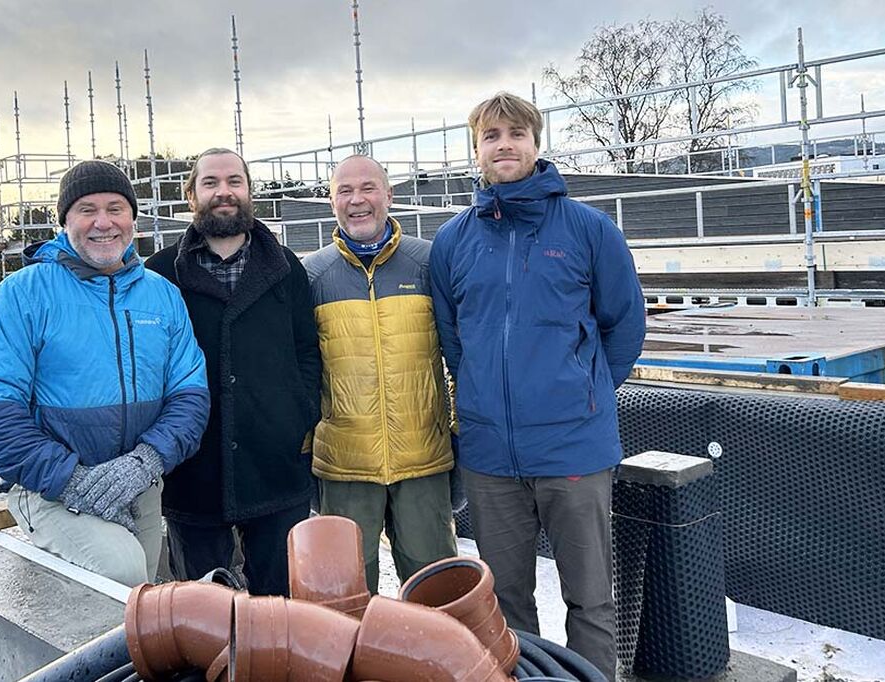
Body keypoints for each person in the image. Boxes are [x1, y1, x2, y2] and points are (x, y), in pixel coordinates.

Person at [429, 92, 645, 680]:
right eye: (491, 136)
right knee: (505, 602)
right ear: (476, 149)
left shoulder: (587, 229)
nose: (504, 145)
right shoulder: (454, 241)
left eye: (516, 134)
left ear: (536, 142)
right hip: (491, 455)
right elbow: (454, 338)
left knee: (590, 598)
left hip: (573, 447)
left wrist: (582, 393)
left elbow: (624, 324)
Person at [0, 159, 210, 587]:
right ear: (65, 221)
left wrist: (143, 462)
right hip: (50, 490)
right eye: (87, 210)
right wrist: (74, 482)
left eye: (116, 208)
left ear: (132, 217)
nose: (104, 223)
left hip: (139, 485)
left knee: (142, 607)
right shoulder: (23, 295)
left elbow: (190, 397)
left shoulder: (162, 295)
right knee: (122, 571)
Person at [144, 148, 321, 596]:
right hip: (193, 470)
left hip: (275, 466)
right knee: (204, 610)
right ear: (191, 196)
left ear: (249, 193)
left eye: (234, 181)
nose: (224, 192)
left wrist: (299, 416)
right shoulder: (161, 274)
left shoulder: (284, 268)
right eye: (211, 183)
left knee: (279, 606)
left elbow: (307, 351)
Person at [302, 155, 456, 593]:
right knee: (346, 595)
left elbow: (460, 354)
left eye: (368, 188)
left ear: (389, 195)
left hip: (422, 459)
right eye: (344, 192)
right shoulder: (313, 275)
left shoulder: (428, 264)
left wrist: (458, 431)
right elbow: (302, 372)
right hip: (344, 467)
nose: (357, 201)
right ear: (331, 203)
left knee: (437, 592)